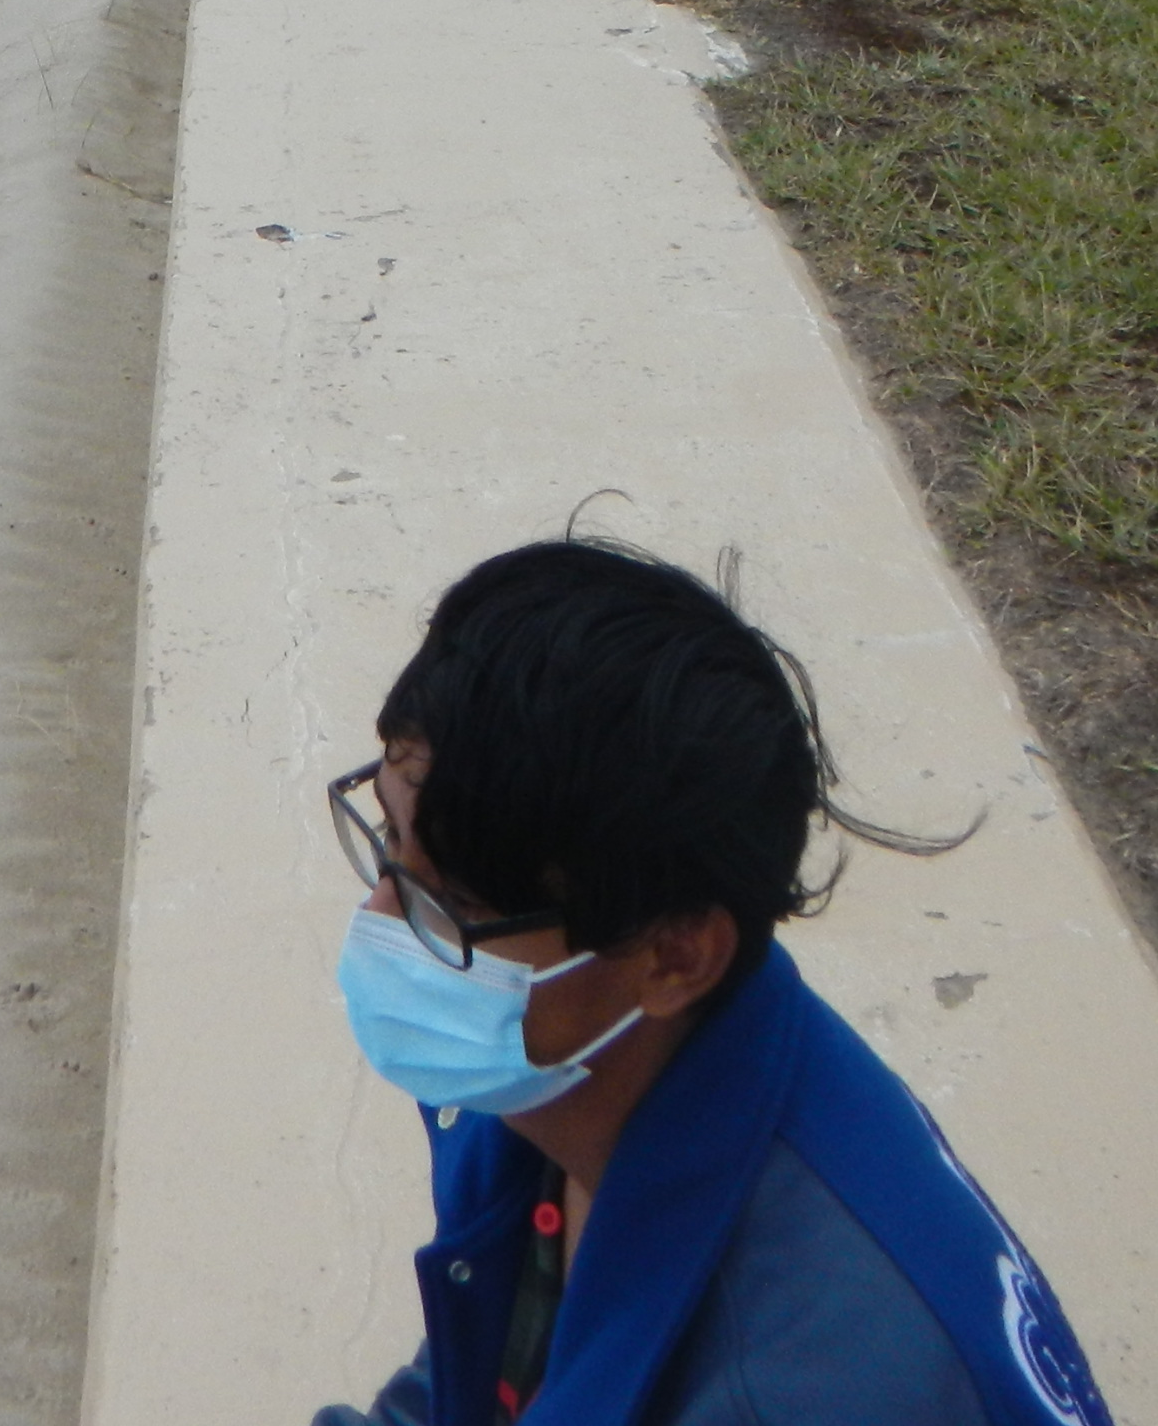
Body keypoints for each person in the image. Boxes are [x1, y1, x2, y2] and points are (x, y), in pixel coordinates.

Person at [317, 539, 1113, 1426]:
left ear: (674, 956)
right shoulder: (568, 1089)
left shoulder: (804, 1391)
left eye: (450, 904)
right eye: (386, 844)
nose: (381, 921)